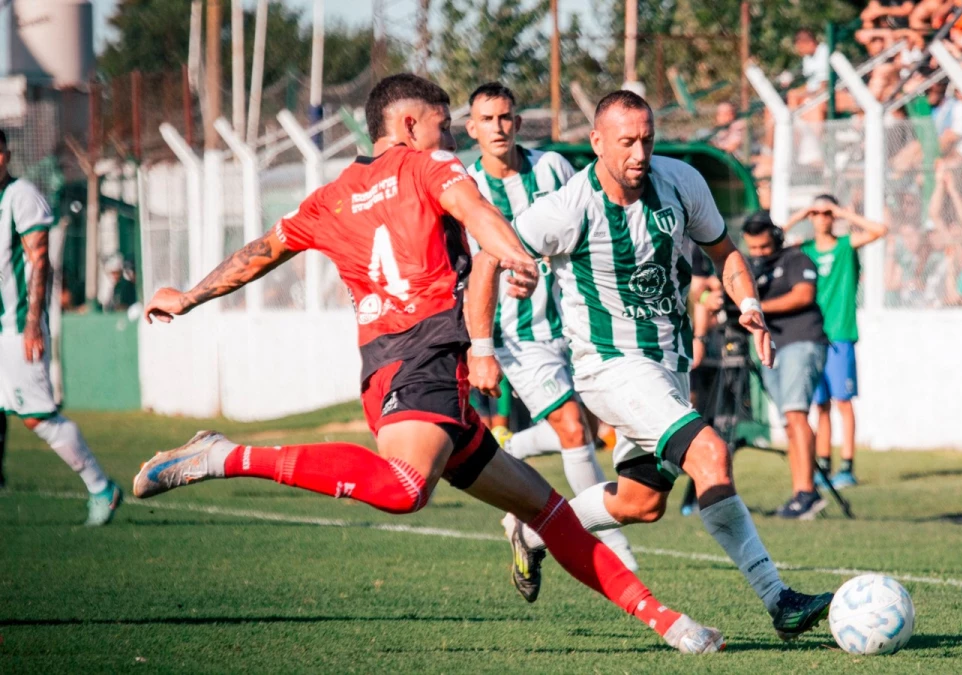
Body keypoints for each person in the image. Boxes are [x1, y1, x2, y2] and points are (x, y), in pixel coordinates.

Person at [132, 74, 724, 654]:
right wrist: (516, 256)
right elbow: (475, 211)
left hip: (393, 371)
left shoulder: (329, 197)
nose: (451, 138)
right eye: (444, 126)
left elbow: (262, 250)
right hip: (425, 358)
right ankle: (225, 456)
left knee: (547, 511)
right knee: (406, 488)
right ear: (410, 125)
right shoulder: (427, 164)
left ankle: (671, 624)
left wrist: (188, 296)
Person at [477, 91, 834, 640]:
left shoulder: (681, 181)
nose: (640, 153)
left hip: (667, 364)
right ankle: (778, 599)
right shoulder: (569, 206)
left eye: (647, 139)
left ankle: (533, 532)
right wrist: (481, 345)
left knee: (641, 503)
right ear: (597, 143)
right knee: (710, 453)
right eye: (626, 142)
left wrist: (750, 303)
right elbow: (488, 259)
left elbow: (725, 252)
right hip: (609, 366)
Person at [461, 82, 637, 572]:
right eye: (487, 119)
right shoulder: (466, 187)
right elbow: (470, 265)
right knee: (573, 428)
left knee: (595, 427)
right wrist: (480, 336)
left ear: (518, 122)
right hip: (516, 335)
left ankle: (503, 453)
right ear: (471, 128)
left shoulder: (553, 167)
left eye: (505, 117)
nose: (498, 127)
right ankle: (615, 550)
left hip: (574, 319)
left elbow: (583, 222)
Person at [0, 130, 121, 524]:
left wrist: (33, 324)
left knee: (38, 418)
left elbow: (40, 262)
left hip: (17, 328)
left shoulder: (21, 196)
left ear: (7, 155)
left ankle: (101, 487)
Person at [791, 195, 888, 489]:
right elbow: (769, 242)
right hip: (813, 335)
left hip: (840, 335)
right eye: (817, 213)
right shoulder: (805, 250)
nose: (822, 218)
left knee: (843, 401)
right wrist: (799, 214)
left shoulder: (846, 246)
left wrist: (844, 213)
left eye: (827, 213)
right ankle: (824, 465)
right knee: (820, 405)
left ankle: (847, 465)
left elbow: (879, 231)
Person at [741, 211, 829, 520]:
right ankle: (799, 493)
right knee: (789, 422)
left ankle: (807, 491)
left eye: (764, 247)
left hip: (802, 340)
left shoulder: (796, 259)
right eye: (753, 248)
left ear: (777, 239)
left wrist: (757, 308)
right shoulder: (753, 268)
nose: (759, 253)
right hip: (773, 346)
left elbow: (803, 295)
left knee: (796, 413)